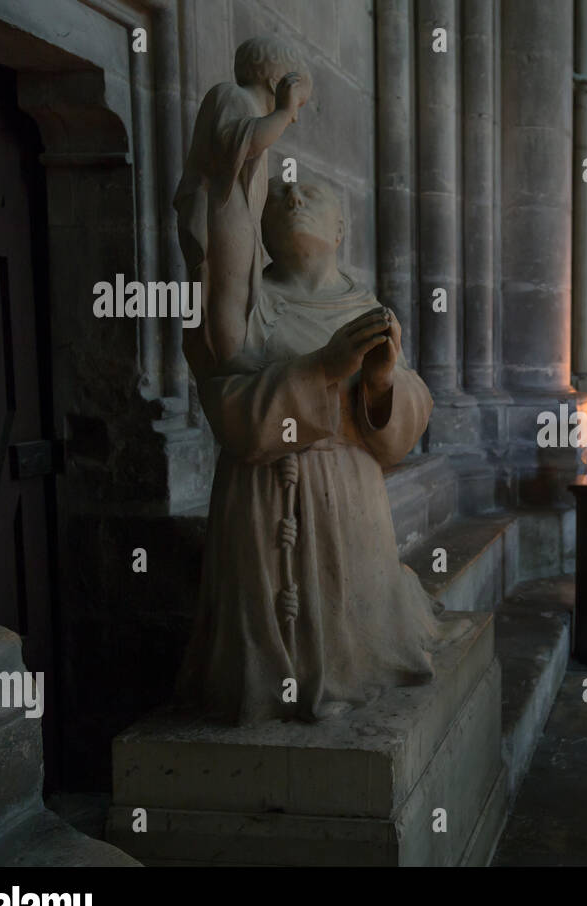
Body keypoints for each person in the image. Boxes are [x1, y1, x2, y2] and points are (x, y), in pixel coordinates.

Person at [176, 176, 465, 723]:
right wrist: (321, 369)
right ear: (260, 229)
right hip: (260, 499)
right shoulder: (240, 308)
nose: (293, 197)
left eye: (311, 192)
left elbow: (402, 430)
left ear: (340, 229)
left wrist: (381, 387)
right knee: (261, 661)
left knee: (352, 630)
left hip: (348, 502)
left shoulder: (366, 307)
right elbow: (226, 408)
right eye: (282, 195)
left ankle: (351, 665)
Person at [174, 36, 312, 378]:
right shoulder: (230, 96)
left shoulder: (252, 115)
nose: (294, 119)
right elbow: (237, 141)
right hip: (219, 211)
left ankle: (235, 345)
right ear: (274, 82)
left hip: (235, 213)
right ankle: (228, 353)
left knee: (241, 283)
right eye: (299, 105)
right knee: (227, 282)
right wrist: (282, 111)